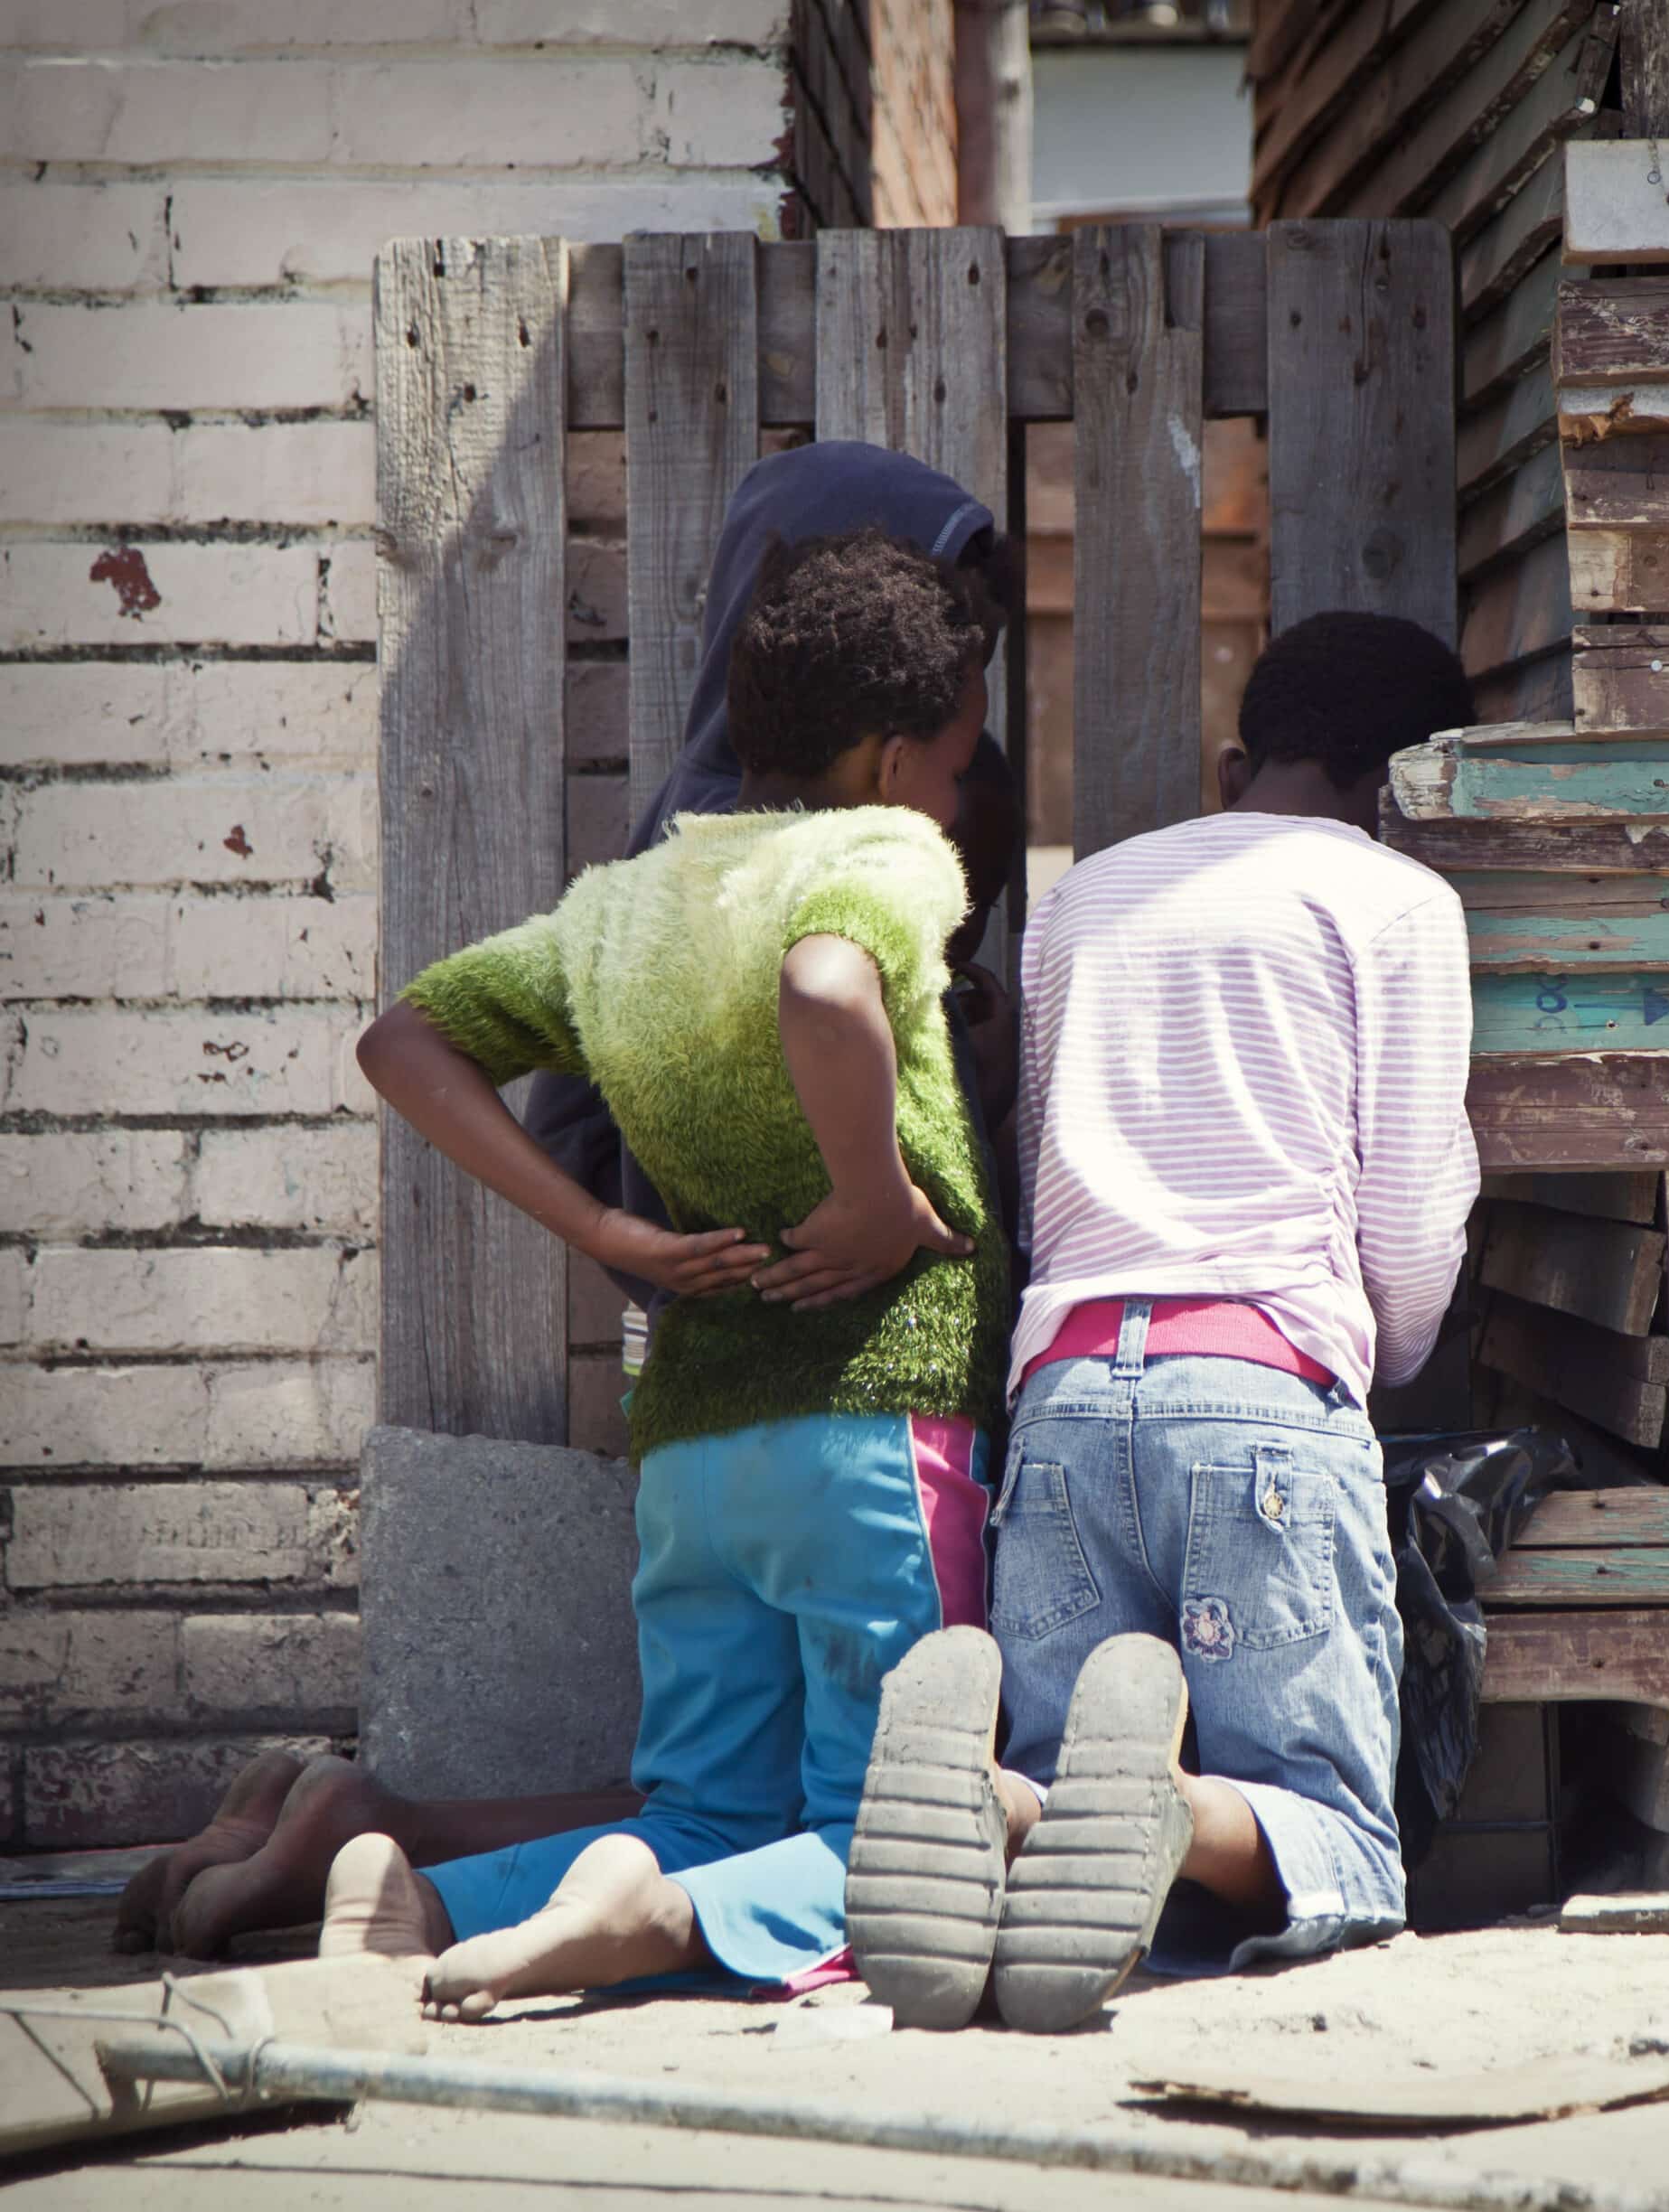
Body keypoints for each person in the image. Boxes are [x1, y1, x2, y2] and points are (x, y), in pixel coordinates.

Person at [113, 445, 1020, 1964]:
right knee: (901, 1829)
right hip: (873, 1425)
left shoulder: (626, 902)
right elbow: (822, 978)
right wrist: (875, 1198)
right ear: (884, 763)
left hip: (694, 1461)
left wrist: (606, 1237)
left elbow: (402, 1038)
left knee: (702, 1807)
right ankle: (654, 1926)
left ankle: (430, 1905)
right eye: (946, 763)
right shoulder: (877, 853)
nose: (955, 798)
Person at [841, 611, 1482, 2033]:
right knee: (1340, 1834)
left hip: (1066, 1398)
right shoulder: (1395, 900)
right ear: (1413, 790)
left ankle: (999, 1798)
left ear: (1241, 759)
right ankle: (1167, 1807)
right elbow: (1412, 1212)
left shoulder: (1086, 897)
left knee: (1072, 1779)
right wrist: (1373, 1363)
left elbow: (1034, 1158)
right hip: (1259, 1389)